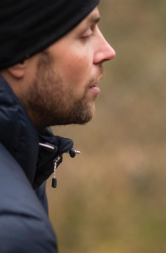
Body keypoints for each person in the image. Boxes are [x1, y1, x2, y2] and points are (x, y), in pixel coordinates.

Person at [0, 0, 115, 251]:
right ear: (20, 55)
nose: (108, 50)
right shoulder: (15, 231)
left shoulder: (26, 154)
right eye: (85, 34)